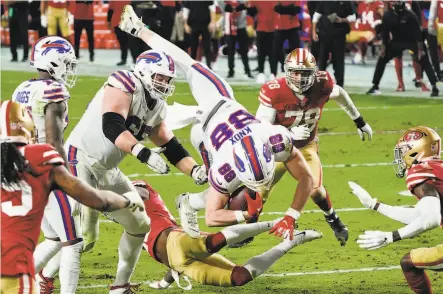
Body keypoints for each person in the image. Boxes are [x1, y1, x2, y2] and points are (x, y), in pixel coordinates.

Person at [120, 5, 316, 243]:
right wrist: (245, 214)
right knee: (225, 192)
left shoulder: (275, 137)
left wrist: (291, 216)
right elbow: (212, 217)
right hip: (209, 118)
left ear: (268, 149)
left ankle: (193, 200)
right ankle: (190, 202)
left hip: (211, 117)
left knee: (228, 189)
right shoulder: (231, 165)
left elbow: (307, 178)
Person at [61, 48, 206, 293]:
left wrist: (195, 171)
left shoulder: (156, 104)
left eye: (168, 79)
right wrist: (142, 152)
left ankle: (120, 286)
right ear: (145, 71)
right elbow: (112, 125)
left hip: (107, 170)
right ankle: (42, 274)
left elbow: (169, 144)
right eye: (160, 77)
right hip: (79, 161)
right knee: (81, 236)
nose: (165, 83)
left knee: (140, 224)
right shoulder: (123, 82)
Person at [0, 100, 145, 294]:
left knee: (55, 239)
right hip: (15, 273)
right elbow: (97, 200)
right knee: (71, 241)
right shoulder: (40, 156)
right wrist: (128, 201)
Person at [254, 47, 373, 246]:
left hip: (306, 146)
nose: (299, 78)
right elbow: (261, 126)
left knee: (316, 190)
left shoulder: (323, 83)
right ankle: (249, 228)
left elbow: (340, 93)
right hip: (278, 149)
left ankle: (334, 220)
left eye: (305, 73)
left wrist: (359, 120)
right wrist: (288, 134)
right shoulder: (274, 90)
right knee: (259, 190)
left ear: (314, 72)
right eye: (295, 72)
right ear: (287, 71)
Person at [132, 180, 322, 289]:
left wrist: (116, 195)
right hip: (183, 265)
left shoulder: (139, 193)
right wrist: (164, 283)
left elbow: (138, 190)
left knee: (214, 242)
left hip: (175, 241)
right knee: (240, 278)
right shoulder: (130, 228)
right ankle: (293, 240)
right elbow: (170, 260)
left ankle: (274, 223)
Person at [10, 35, 82, 294]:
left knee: (53, 238)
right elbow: (53, 140)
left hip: (21, 170)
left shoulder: (22, 88)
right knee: (72, 243)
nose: (70, 68)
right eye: (67, 62)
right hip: (45, 172)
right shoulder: (54, 90)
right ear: (54, 61)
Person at [349, 126, 442, 294]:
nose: (401, 155)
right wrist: (374, 205)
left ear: (417, 149)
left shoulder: (420, 172)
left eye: (405, 149)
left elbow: (431, 219)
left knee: (408, 263)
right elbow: (419, 215)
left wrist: (391, 236)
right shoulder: (438, 168)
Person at [366, 1, 439, 97]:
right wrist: (384, 46)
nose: (396, 3)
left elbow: (418, 32)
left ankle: (434, 86)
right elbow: (385, 33)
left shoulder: (410, 15)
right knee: (382, 58)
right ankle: (375, 85)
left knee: (424, 59)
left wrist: (421, 49)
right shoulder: (388, 15)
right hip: (396, 41)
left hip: (412, 41)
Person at [312, 1, 356, 87]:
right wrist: (314, 32)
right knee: (322, 60)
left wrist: (342, 20)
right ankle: (320, 84)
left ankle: (339, 85)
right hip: (324, 35)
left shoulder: (346, 2)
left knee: (339, 61)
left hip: (339, 35)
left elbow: (353, 16)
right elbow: (316, 16)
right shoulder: (324, 2)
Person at [346, 0, 384, 65]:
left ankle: (361, 55)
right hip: (359, 29)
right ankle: (358, 52)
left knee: (363, 40)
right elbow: (359, 16)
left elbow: (384, 16)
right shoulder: (361, 4)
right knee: (341, 38)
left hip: (371, 30)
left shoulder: (378, 4)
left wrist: (380, 25)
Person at [107, 0, 133, 66]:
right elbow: (110, 10)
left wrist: (109, 21)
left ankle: (133, 59)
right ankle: (124, 59)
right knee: (123, 43)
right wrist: (109, 21)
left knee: (130, 43)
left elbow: (110, 10)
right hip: (118, 22)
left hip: (128, 23)